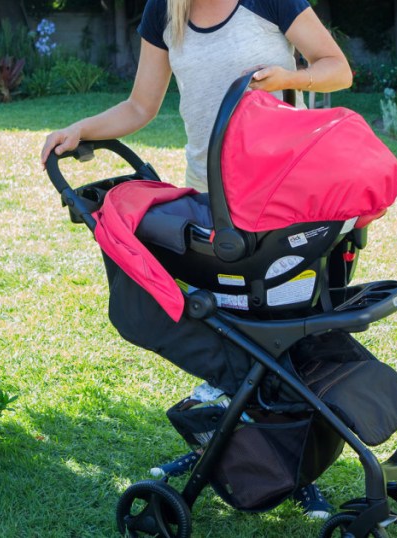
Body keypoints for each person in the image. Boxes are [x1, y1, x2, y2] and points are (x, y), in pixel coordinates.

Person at [40, 0, 353, 520]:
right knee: (241, 329)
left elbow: (337, 68)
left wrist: (284, 79)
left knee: (283, 331)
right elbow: (141, 107)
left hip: (285, 200)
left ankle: (288, 464)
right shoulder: (163, 11)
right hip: (214, 206)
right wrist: (82, 129)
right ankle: (249, 450)